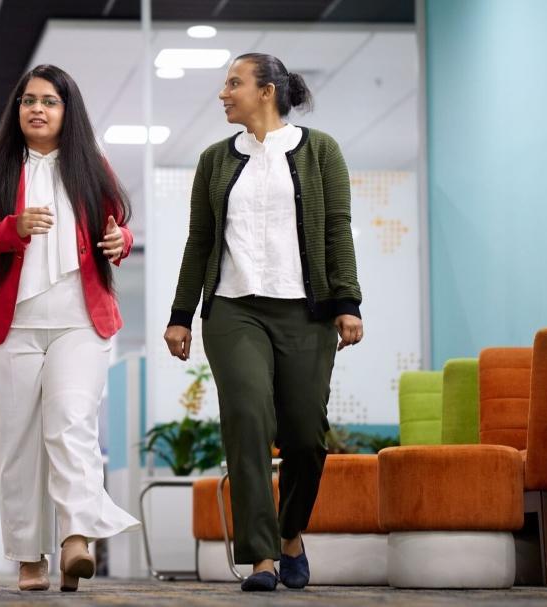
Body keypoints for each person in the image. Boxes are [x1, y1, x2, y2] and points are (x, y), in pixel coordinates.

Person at [163, 53, 364, 592]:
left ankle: (290, 531)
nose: (224, 93)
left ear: (267, 91)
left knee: (305, 436)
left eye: (234, 83)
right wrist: (181, 315)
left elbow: (337, 231)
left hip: (305, 310)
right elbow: (199, 241)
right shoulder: (214, 159)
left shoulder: (321, 151)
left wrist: (348, 301)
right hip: (234, 309)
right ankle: (261, 558)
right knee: (247, 418)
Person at [0, 64, 141, 593]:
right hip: (11, 325)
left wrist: (119, 242)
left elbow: (119, 228)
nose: (37, 108)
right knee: (18, 443)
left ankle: (77, 537)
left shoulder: (91, 167)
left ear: (67, 111)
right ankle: (28, 558)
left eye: (50, 101)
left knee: (70, 422)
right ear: (17, 110)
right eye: (29, 100)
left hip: (81, 321)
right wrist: (9, 229)